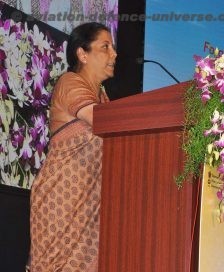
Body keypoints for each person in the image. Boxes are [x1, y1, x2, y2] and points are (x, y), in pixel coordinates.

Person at [29, 22, 117, 271]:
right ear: (82, 53)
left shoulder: (103, 96)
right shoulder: (70, 82)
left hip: (90, 207)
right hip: (61, 202)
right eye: (105, 47)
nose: (114, 54)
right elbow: (102, 121)